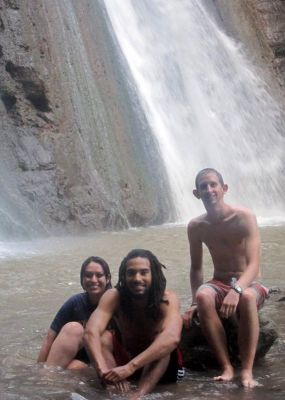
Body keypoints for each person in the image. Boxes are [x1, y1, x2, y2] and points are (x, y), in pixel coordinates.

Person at [183, 168, 268, 388]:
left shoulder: (244, 217)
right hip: (219, 282)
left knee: (248, 297)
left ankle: (247, 371)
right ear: (196, 193)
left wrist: (237, 289)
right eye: (203, 186)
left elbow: (254, 264)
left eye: (213, 185)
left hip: (249, 282)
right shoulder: (196, 226)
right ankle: (227, 367)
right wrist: (193, 301)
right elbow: (196, 267)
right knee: (203, 296)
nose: (209, 190)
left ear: (224, 188)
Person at [84, 249, 184, 399]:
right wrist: (102, 370)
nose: (137, 278)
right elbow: (90, 332)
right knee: (104, 337)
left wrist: (130, 367)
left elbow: (172, 338)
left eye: (144, 272)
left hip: (160, 367)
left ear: (154, 275)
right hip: (126, 362)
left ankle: (137, 396)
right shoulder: (114, 296)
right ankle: (113, 387)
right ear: (124, 276)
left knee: (162, 344)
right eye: (131, 273)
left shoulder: (167, 299)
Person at [37, 256, 112, 370]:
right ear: (82, 280)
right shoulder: (75, 303)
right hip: (77, 353)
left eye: (99, 275)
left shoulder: (116, 302)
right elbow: (50, 338)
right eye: (88, 275)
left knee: (75, 368)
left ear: (107, 278)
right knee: (73, 328)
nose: (93, 279)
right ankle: (47, 378)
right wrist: (39, 368)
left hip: (102, 355)